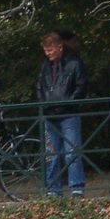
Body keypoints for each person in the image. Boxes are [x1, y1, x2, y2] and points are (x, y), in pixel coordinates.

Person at [36, 32, 87, 197]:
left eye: (50, 50)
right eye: (46, 50)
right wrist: (43, 104)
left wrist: (70, 103)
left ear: (60, 47)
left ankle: (76, 187)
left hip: (69, 113)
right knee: (51, 153)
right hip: (50, 114)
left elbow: (81, 86)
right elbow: (39, 86)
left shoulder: (74, 63)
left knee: (72, 151)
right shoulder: (45, 66)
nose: (48, 53)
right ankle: (53, 189)